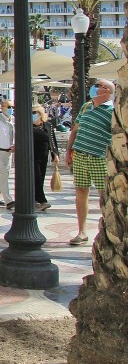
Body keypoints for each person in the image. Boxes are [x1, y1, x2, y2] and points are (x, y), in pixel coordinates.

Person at [66, 78, 115, 246]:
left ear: (107, 91)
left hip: (99, 157)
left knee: (104, 195)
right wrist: (68, 150)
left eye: (98, 86)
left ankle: (110, 229)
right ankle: (82, 231)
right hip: (80, 155)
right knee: (81, 191)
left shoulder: (112, 111)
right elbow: (75, 130)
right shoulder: (86, 107)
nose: (93, 88)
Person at [30, 103, 59, 212]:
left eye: (34, 112)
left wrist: (55, 154)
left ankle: (34, 198)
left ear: (40, 114)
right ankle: (43, 200)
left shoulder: (47, 125)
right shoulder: (28, 126)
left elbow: (52, 141)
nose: (32, 115)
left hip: (44, 156)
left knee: (40, 178)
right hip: (32, 156)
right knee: (36, 177)